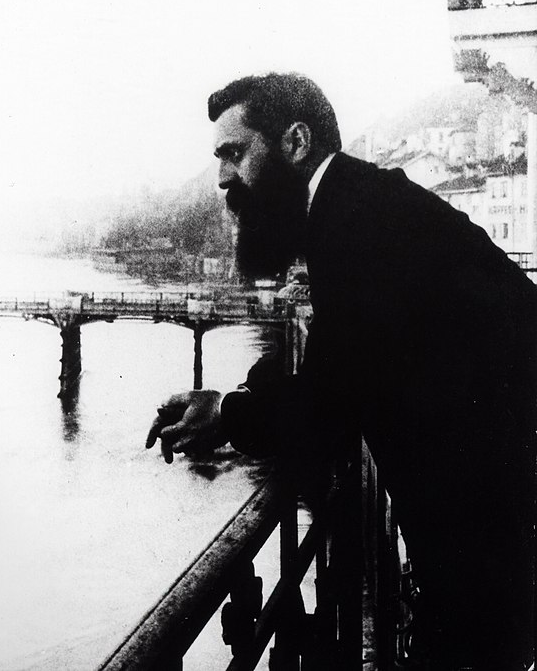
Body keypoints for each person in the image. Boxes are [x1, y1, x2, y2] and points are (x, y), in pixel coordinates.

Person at [145, 72, 537, 670]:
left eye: (235, 153)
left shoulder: (352, 221)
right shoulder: (358, 205)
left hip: (492, 547)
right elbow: (346, 357)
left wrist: (226, 412)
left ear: (296, 142)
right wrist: (246, 393)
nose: (224, 177)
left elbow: (331, 402)